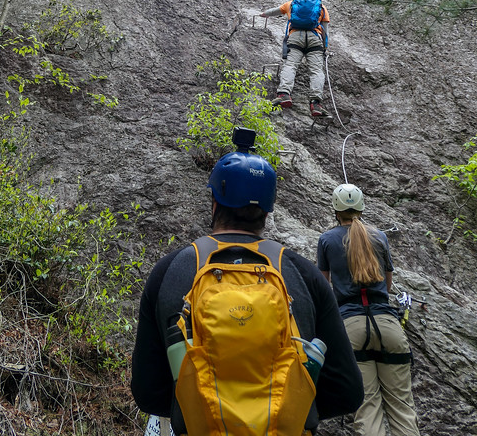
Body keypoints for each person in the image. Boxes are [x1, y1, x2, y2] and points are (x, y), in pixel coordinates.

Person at [131, 130, 364, 436]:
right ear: (268, 209)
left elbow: (148, 392)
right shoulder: (301, 273)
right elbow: (347, 391)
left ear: (214, 202)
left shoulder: (171, 271)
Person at [317, 184, 420, 436]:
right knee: (402, 408)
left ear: (335, 210)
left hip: (351, 330)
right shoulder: (379, 237)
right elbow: (387, 282)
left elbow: (324, 288)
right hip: (388, 326)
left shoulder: (327, 240)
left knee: (367, 409)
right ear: (362, 208)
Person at [260, 0, 329, 118]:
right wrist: (325, 48)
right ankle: (315, 103)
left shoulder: (292, 4)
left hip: (295, 37)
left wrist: (263, 14)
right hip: (315, 39)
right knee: (316, 71)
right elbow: (326, 32)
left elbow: (275, 11)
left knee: (290, 65)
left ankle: (284, 94)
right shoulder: (321, 7)